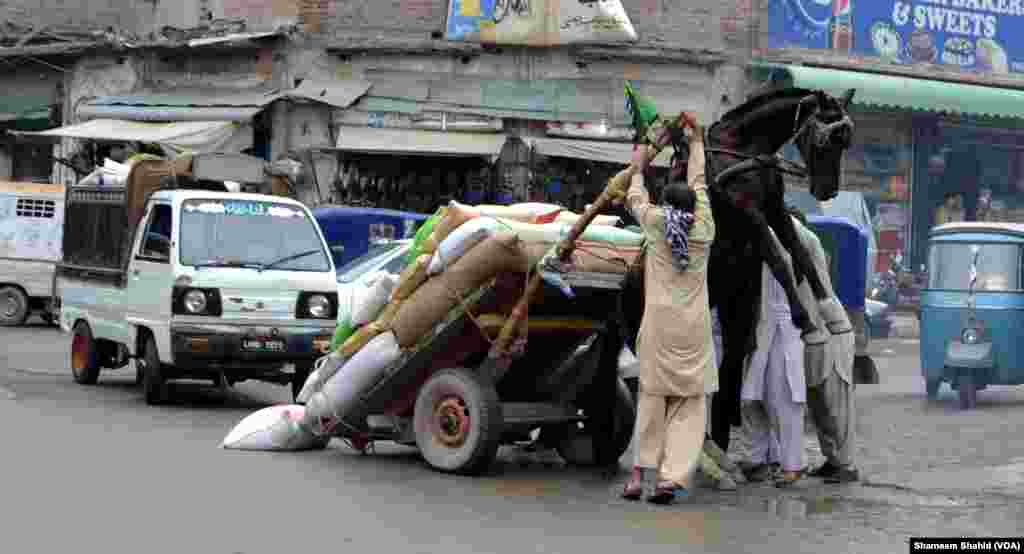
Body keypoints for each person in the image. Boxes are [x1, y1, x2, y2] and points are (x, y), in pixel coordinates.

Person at [618, 113, 715, 504]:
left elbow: (634, 197)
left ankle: (640, 476)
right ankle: (671, 478)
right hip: (693, 330)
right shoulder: (705, 228)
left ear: (665, 204)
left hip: (658, 327)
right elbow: (700, 184)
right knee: (689, 404)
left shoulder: (657, 224)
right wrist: (696, 143)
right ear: (693, 207)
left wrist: (639, 165)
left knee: (652, 398)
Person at [789, 211, 860, 484]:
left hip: (834, 336)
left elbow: (794, 231)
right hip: (815, 338)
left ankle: (847, 464)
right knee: (819, 405)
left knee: (837, 406)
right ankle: (833, 459)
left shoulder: (812, 248)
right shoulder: (790, 260)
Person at [740, 221, 807, 488]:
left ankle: (792, 465)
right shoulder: (761, 247)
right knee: (752, 399)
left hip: (783, 332)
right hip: (762, 332)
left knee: (785, 401)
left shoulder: (784, 248)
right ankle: (758, 458)